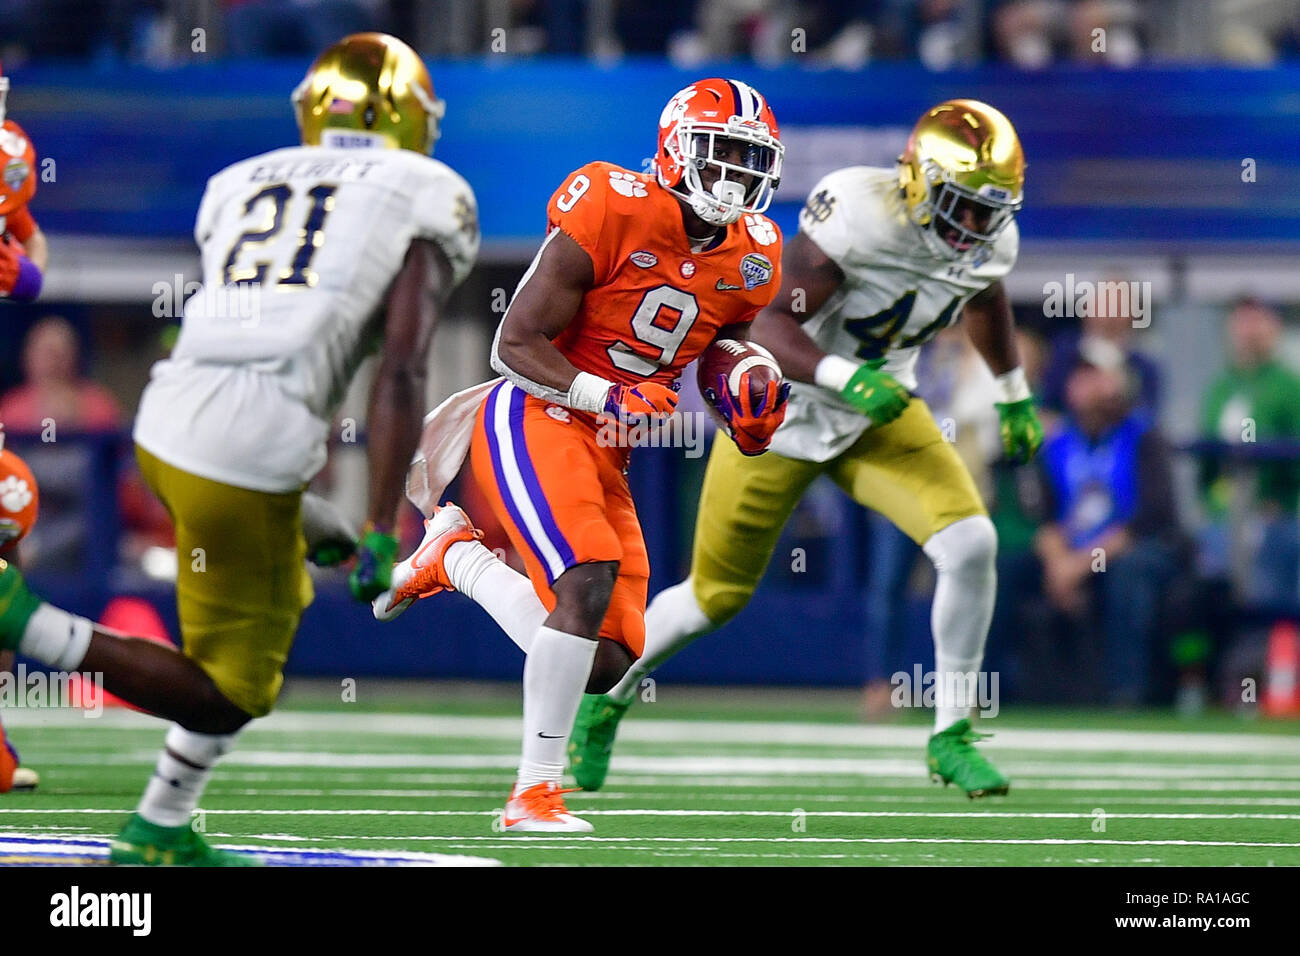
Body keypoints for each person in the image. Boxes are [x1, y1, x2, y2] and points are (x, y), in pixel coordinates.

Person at [0, 32, 478, 864]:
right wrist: (377, 528)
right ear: (404, 115)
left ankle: (162, 827)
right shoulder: (427, 189)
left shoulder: (241, 182)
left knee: (285, 581)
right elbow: (400, 368)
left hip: (168, 416)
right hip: (248, 446)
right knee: (229, 693)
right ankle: (23, 622)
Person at [567, 99, 1044, 798]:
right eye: (960, 206)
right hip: (782, 416)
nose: (974, 227)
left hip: (877, 413)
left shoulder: (990, 243)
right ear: (917, 180)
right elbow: (768, 326)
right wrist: (844, 376)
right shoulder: (856, 214)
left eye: (988, 210)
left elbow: (983, 296)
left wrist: (1012, 389)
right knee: (712, 597)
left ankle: (951, 735)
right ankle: (604, 700)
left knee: (971, 543)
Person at [375, 77, 789, 833]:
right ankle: (533, 795)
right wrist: (604, 394)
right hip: (538, 412)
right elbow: (515, 341)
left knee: (605, 663)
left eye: (748, 159)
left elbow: (717, 348)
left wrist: (746, 389)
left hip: (611, 445)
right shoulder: (611, 201)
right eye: (720, 153)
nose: (733, 174)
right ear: (675, 149)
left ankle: (456, 557)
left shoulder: (756, 253)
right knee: (586, 577)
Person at [1035, 359, 1184, 705]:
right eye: (1083, 379)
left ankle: (1125, 691)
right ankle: (999, 687)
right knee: (1008, 568)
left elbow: (1150, 516)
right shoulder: (1058, 442)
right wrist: (1059, 566)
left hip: (1140, 547)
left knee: (1128, 573)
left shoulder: (1143, 435)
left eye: (1099, 379)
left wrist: (1080, 565)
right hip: (1073, 550)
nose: (1093, 390)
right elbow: (1044, 518)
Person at [1199, 298, 1300, 608]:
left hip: (1275, 515)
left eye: (1256, 321)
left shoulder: (1287, 386)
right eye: (1242, 321)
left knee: (1268, 598)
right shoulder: (1220, 386)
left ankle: (1273, 654)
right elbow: (1206, 457)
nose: (1248, 331)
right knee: (1216, 597)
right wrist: (1212, 504)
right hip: (1224, 515)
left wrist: (1280, 503)